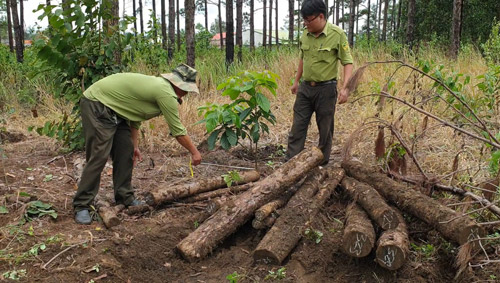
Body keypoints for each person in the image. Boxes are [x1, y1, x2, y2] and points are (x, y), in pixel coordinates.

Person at [74, 64, 202, 224]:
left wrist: (134, 146)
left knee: (125, 151)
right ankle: (81, 205)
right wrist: (195, 152)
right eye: (187, 90)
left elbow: (135, 116)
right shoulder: (165, 92)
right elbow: (178, 130)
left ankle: (124, 197)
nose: (187, 94)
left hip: (115, 110)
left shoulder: (160, 88)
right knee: (99, 155)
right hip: (97, 103)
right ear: (179, 85)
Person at [286, 0, 354, 165]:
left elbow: (347, 62)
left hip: (326, 90)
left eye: (309, 20)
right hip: (305, 89)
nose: (306, 23)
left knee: (325, 130)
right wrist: (296, 81)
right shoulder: (305, 34)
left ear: (321, 16)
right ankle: (290, 166)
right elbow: (303, 58)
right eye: (304, 20)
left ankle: (321, 166)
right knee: (297, 129)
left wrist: (345, 88)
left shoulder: (337, 34)